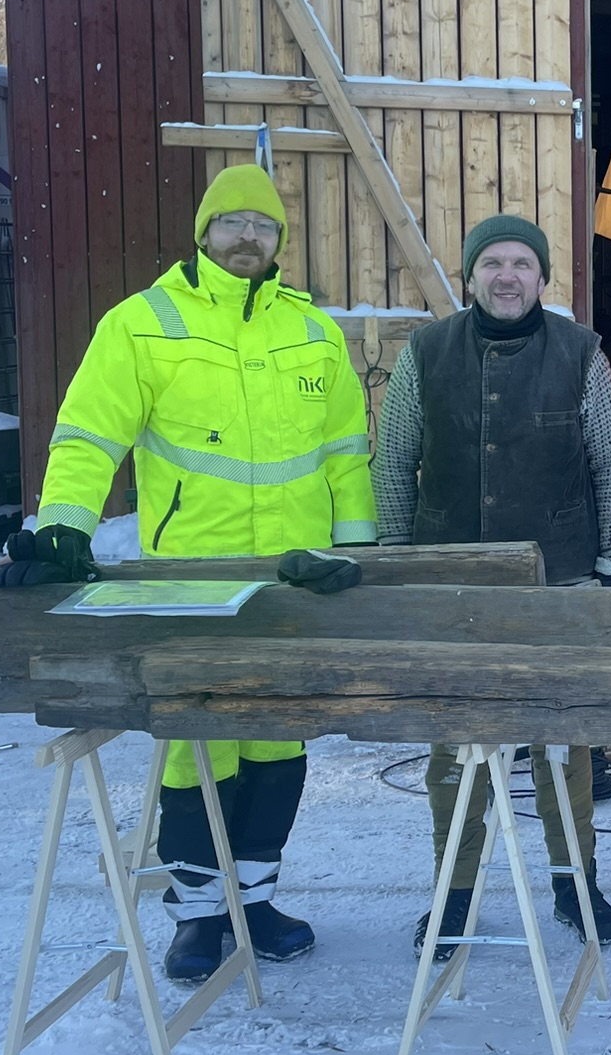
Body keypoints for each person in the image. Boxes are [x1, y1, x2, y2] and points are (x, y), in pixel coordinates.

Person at [27, 163, 375, 982]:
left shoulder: (312, 331)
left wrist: (358, 560)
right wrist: (63, 528)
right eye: (232, 223)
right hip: (189, 581)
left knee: (277, 743)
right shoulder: (143, 325)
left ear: (279, 241)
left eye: (262, 225)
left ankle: (255, 898)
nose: (247, 236)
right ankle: (196, 913)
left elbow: (347, 461)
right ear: (203, 233)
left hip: (293, 583)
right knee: (194, 748)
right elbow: (87, 435)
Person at [373, 214, 611, 958]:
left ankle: (574, 883)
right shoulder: (426, 354)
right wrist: (399, 561)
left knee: (564, 740)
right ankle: (454, 895)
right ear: (469, 275)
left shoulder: (581, 352)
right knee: (456, 747)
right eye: (492, 262)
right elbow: (392, 462)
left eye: (523, 262)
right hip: (450, 583)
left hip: (560, 579)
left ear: (543, 277)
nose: (507, 276)